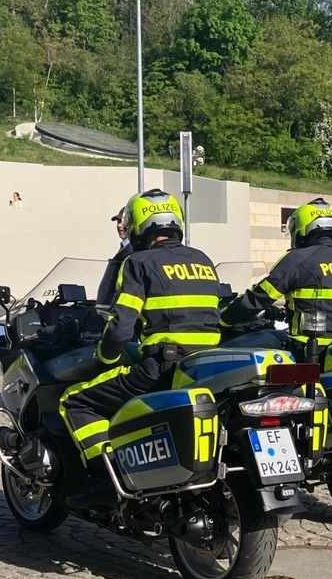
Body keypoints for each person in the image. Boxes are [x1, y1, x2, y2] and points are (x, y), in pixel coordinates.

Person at [60, 188, 221, 508]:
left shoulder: (138, 262)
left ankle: (106, 481)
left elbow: (120, 328)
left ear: (142, 226)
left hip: (162, 368)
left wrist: (103, 357)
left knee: (75, 401)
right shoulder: (203, 260)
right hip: (204, 367)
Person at [221, 197, 332, 355]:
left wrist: (224, 319)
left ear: (303, 227)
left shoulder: (297, 259)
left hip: (311, 350)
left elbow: (258, 298)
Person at [95, 207, 132, 307]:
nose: (119, 225)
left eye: (123, 221)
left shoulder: (133, 250)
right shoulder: (125, 248)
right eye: (118, 222)